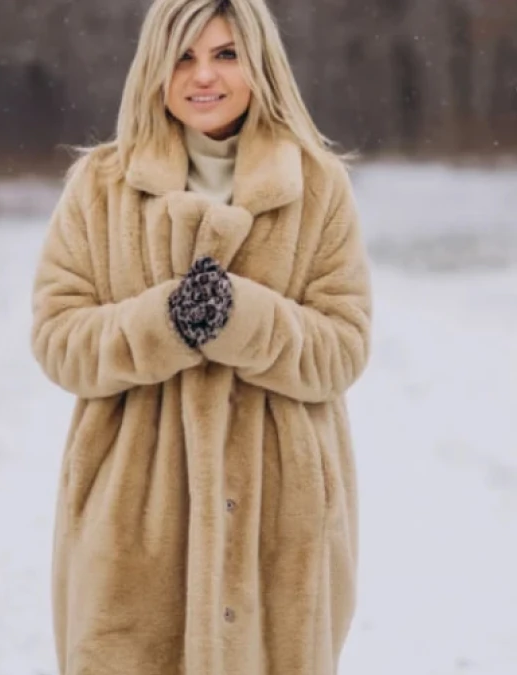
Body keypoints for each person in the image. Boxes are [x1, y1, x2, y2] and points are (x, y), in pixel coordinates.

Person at [29, 0, 372, 673]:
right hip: (131, 519)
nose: (204, 76)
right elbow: (58, 336)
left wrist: (241, 318)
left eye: (225, 55)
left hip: (280, 522)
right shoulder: (100, 186)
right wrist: (165, 324)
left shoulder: (317, 185)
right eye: (183, 57)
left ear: (259, 64)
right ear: (154, 67)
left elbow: (343, 345)